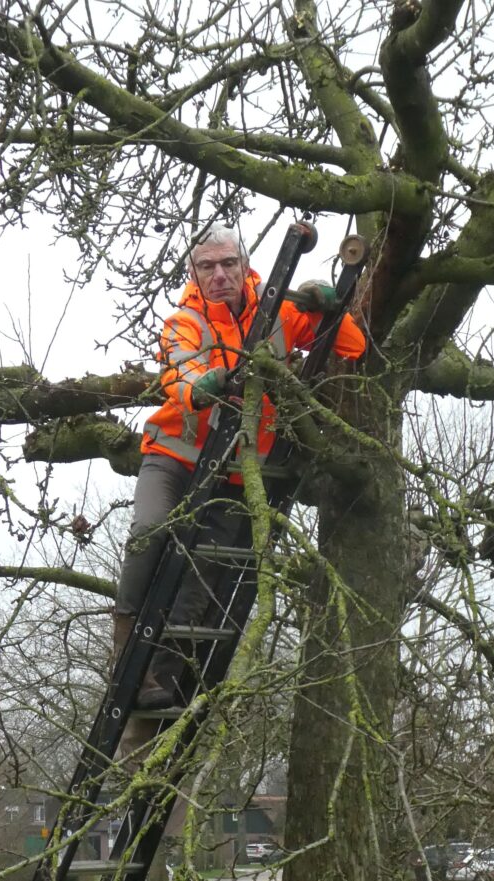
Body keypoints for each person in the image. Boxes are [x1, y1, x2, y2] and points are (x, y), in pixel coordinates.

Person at [113, 224, 366, 711]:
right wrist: (205, 384)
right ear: (194, 273)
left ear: (244, 264)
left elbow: (349, 347)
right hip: (174, 456)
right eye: (207, 267)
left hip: (237, 466)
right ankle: (125, 649)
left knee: (201, 570)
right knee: (151, 529)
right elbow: (179, 372)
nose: (220, 275)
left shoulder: (278, 312)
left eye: (228, 263)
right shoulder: (184, 322)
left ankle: (160, 678)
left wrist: (328, 308)